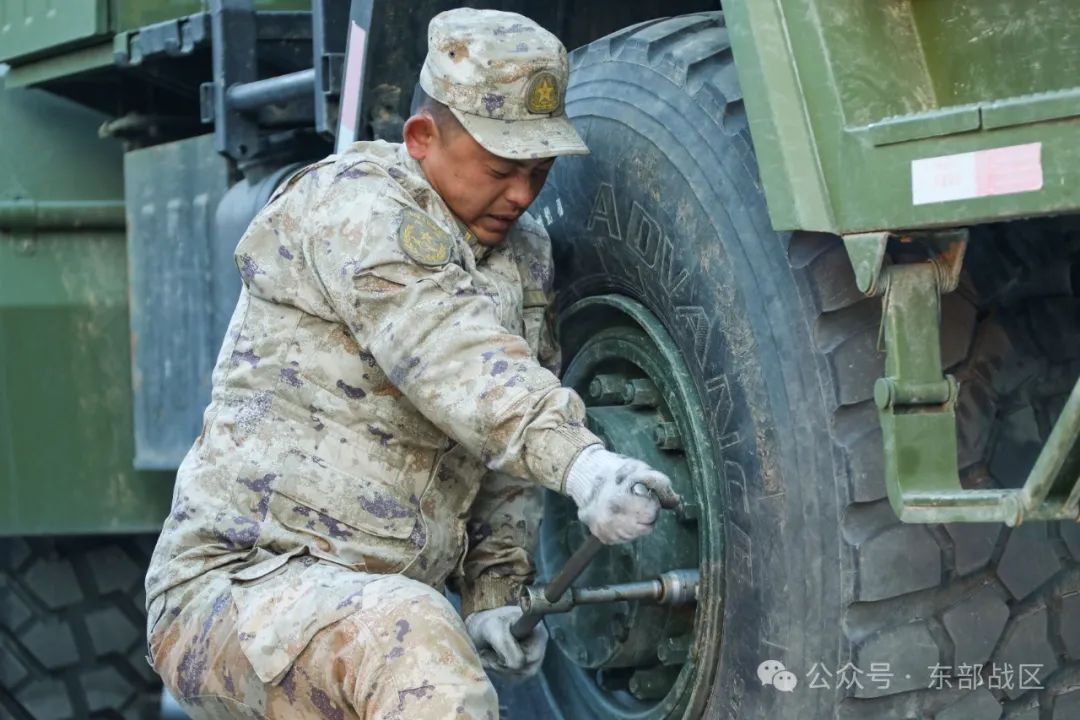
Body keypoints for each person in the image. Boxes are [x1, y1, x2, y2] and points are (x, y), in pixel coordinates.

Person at [144, 7, 678, 719]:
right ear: (423, 137)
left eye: (540, 171)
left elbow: (500, 460)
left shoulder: (521, 257)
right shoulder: (357, 207)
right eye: (501, 168)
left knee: (408, 628)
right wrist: (583, 464)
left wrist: (495, 595)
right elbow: (457, 360)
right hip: (238, 591)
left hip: (364, 606)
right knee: (412, 640)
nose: (522, 194)